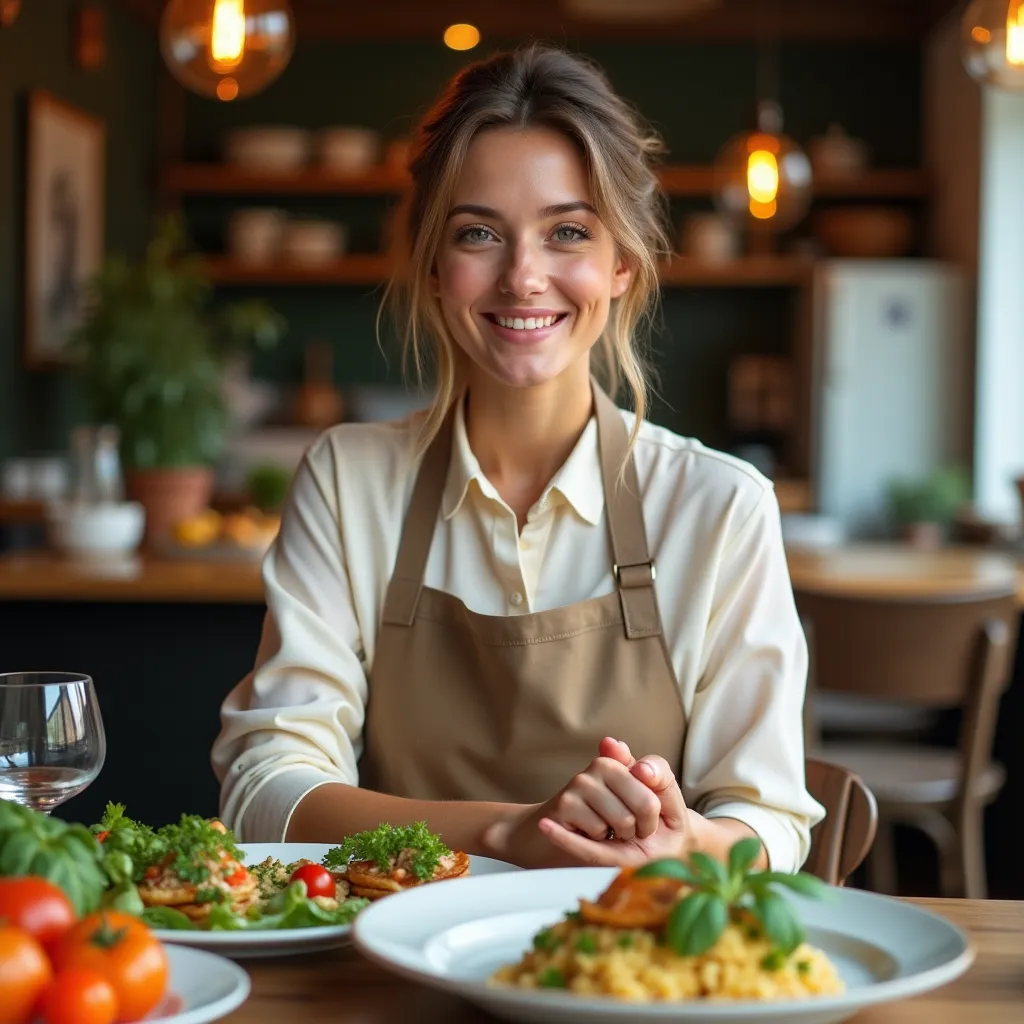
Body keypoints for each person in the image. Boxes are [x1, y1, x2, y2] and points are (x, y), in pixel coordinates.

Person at [212, 43, 824, 873]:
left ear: (621, 266)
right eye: (478, 234)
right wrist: (509, 832)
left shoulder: (719, 507)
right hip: (395, 966)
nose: (523, 276)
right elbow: (264, 791)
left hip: (627, 977)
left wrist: (689, 843)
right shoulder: (349, 479)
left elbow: (769, 834)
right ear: (435, 266)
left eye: (567, 232)